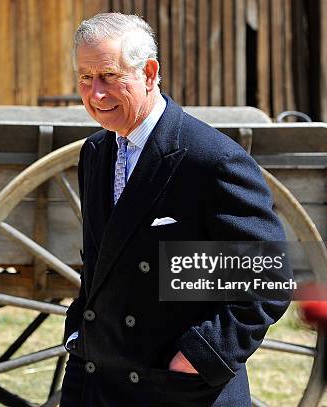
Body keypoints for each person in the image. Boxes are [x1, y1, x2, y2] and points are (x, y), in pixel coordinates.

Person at [61, 13, 291, 407]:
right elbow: (101, 265)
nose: (95, 94)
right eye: (85, 78)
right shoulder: (96, 152)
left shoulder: (210, 160)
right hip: (99, 382)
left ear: (149, 73)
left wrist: (199, 358)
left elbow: (265, 276)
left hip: (177, 391)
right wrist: (78, 334)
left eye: (109, 76)